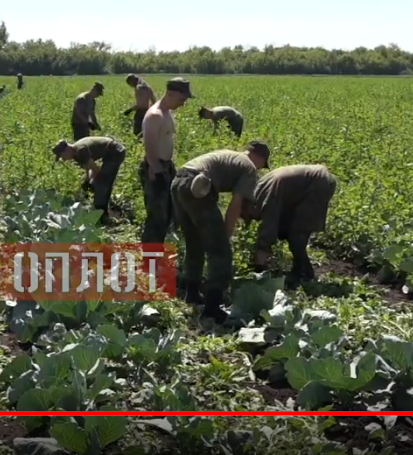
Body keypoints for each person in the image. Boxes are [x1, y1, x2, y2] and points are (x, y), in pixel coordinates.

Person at [171, 141, 269, 322]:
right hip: (197, 186)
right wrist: (225, 235)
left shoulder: (229, 155)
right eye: (263, 165)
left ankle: (192, 293)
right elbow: (235, 205)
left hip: (179, 181)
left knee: (194, 242)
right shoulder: (248, 167)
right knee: (220, 251)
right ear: (259, 157)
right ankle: (212, 307)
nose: (261, 169)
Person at [241, 164, 337, 285]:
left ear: (250, 206)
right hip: (308, 185)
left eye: (250, 216)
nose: (255, 219)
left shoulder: (267, 198)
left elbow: (269, 228)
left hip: (318, 184)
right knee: (286, 230)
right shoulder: (259, 191)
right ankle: (302, 269)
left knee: (297, 233)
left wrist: (259, 266)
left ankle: (304, 274)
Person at [140, 78, 194, 245]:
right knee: (157, 216)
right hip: (155, 168)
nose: (183, 104)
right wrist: (157, 171)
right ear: (170, 94)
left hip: (165, 166)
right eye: (181, 99)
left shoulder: (166, 112)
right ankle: (149, 260)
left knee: (169, 213)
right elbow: (149, 146)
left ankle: (157, 253)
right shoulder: (155, 115)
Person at [53, 136, 126, 224]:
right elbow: (88, 167)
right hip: (110, 152)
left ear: (67, 149)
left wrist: (95, 181)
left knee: (102, 184)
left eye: (62, 156)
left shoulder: (80, 150)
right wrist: (87, 180)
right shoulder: (76, 153)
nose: (63, 159)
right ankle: (107, 207)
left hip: (115, 151)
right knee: (98, 184)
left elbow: (96, 170)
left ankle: (104, 215)